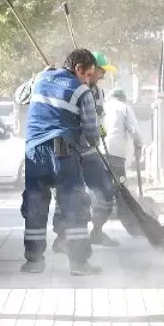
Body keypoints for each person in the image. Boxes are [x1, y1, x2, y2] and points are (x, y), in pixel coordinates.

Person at [20, 48, 103, 276]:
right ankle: (78, 264)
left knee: (35, 205)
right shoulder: (82, 92)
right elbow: (90, 131)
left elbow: (19, 97)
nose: (88, 80)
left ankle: (34, 262)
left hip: (34, 151)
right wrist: (95, 140)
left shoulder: (40, 78)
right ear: (78, 69)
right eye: (88, 74)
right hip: (63, 152)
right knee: (73, 206)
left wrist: (38, 74)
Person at [51, 50, 119, 251]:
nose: (103, 76)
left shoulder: (98, 92)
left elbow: (99, 120)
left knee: (106, 191)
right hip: (68, 150)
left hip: (90, 151)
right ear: (90, 70)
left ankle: (97, 231)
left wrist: (100, 129)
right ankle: (62, 238)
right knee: (68, 194)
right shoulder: (70, 88)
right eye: (101, 71)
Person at [103, 88, 144, 237]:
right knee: (120, 191)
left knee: (100, 190)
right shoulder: (124, 108)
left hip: (97, 154)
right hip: (115, 157)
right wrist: (138, 146)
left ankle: (96, 229)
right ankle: (133, 228)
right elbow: (134, 130)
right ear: (123, 98)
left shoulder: (102, 106)